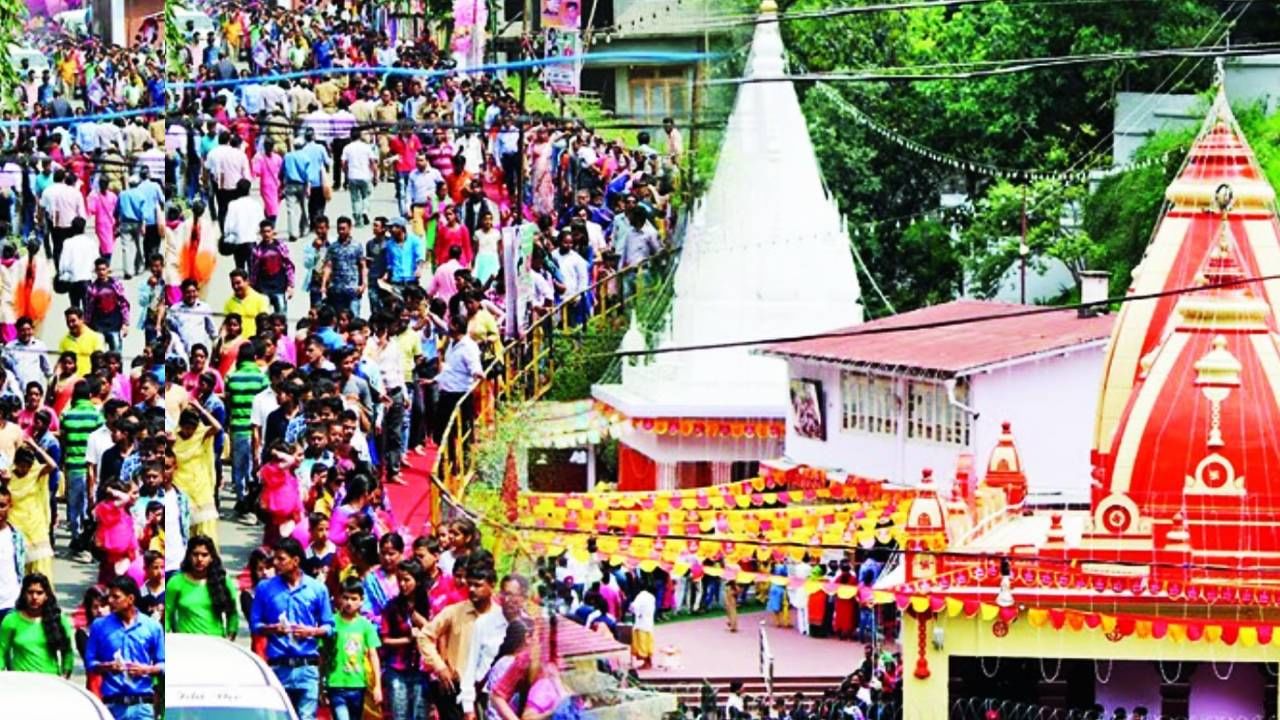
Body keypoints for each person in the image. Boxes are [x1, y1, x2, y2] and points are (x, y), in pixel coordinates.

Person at [250, 537, 336, 720]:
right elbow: (255, 624)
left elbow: (329, 626)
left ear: (296, 561)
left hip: (307, 666)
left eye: (281, 559)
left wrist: (311, 631)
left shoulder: (317, 589)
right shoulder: (265, 588)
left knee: (307, 716)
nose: (275, 563)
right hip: (279, 667)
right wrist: (271, 629)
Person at [418, 559, 500, 720]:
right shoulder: (454, 612)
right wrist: (440, 667)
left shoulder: (502, 618)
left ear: (492, 585)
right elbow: (425, 636)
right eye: (469, 584)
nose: (471, 589)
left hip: (488, 692)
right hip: (456, 690)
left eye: (477, 585)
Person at [85, 576, 165, 720]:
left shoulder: (152, 627)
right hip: (113, 706)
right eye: (109, 596)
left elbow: (163, 663)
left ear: (130, 599)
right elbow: (90, 663)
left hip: (142, 705)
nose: (110, 601)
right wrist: (106, 667)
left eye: (116, 597)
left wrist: (147, 670)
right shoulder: (99, 626)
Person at [326, 578, 383, 720]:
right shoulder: (331, 624)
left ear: (361, 600)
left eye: (353, 599)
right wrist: (321, 685)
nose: (349, 603)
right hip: (335, 683)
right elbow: (323, 654)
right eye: (345, 598)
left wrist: (377, 686)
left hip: (358, 684)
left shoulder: (366, 626)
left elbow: (373, 656)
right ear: (339, 598)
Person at [0, 572, 74, 675]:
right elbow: (1, 651)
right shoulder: (11, 620)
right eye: (30, 592)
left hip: (51, 682)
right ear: (24, 594)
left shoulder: (58, 619)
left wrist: (65, 675)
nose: (34, 597)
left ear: (46, 596)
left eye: (39, 593)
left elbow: (68, 652)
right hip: (20, 683)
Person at [165, 535, 239, 638]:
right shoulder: (176, 582)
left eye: (204, 555)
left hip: (216, 643)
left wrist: (230, 637)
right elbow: (167, 615)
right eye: (195, 554)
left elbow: (233, 613)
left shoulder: (222, 580)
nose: (199, 559)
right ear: (188, 556)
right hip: (185, 645)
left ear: (211, 557)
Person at [630, 581, 656, 669]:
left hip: (641, 623)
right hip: (649, 622)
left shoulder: (640, 596)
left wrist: (635, 612)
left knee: (642, 644)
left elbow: (633, 607)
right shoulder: (651, 597)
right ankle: (649, 661)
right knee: (648, 643)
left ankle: (646, 663)